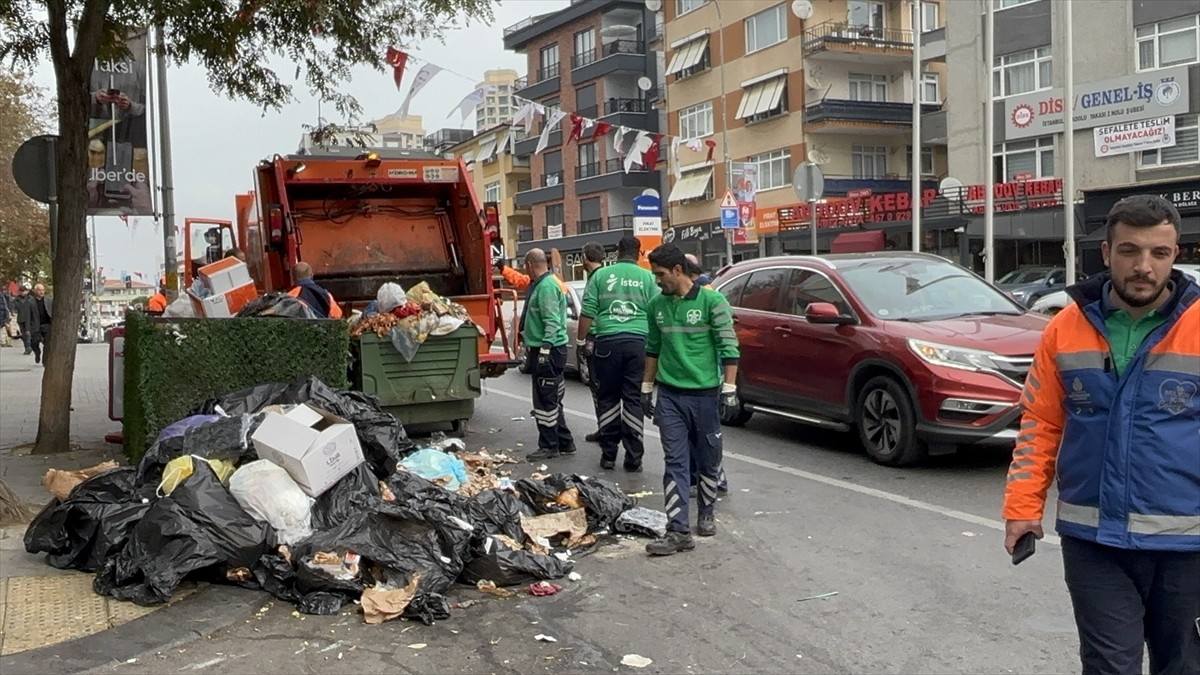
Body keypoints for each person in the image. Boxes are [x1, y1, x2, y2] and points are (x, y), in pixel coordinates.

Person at [1003, 194, 1200, 675]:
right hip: (1094, 539)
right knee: (1109, 665)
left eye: (1159, 253)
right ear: (1106, 253)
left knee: (1183, 665)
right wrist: (1022, 509)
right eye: (1130, 251)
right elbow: (1041, 423)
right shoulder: (1064, 328)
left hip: (1186, 543)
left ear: (1176, 255)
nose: (1143, 267)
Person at [642, 244, 740, 555]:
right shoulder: (657, 305)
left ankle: (706, 512)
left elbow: (729, 347)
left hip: (705, 395)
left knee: (708, 460)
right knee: (675, 463)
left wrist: (730, 390)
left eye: (660, 274)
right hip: (670, 394)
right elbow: (652, 349)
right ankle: (678, 530)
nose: (657, 281)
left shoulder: (713, 302)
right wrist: (646, 387)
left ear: (678, 271)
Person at [577, 236, 657, 472]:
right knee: (633, 399)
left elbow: (588, 310)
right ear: (639, 254)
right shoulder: (648, 278)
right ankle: (634, 459)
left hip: (607, 343)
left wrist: (581, 341)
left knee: (608, 398)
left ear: (616, 253)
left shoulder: (601, 276)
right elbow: (655, 313)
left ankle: (609, 455)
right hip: (639, 343)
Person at [521, 248, 575, 461]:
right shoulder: (547, 284)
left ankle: (549, 445)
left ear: (529, 265)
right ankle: (565, 441)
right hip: (551, 349)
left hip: (547, 349)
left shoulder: (545, 287)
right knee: (552, 398)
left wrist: (544, 350)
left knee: (545, 402)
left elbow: (552, 321)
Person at [683, 253, 729, 496]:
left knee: (703, 434)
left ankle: (708, 479)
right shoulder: (709, 289)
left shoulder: (704, 295)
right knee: (708, 433)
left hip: (706, 375)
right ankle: (713, 478)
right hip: (711, 372)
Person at [20, 284, 53, 365]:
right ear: (35, 291)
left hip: (47, 325)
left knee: (47, 344)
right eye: (39, 290)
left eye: (42, 290)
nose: (41, 292)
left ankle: (45, 360)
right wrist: (27, 329)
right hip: (35, 326)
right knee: (34, 343)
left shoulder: (48, 300)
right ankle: (37, 353)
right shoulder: (30, 302)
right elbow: (28, 316)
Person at [12, 285, 32, 354]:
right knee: (23, 335)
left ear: (26, 291)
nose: (22, 292)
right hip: (21, 319)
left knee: (28, 333)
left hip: (29, 318)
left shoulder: (30, 299)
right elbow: (13, 309)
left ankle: (29, 347)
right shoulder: (16, 300)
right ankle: (27, 347)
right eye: (21, 291)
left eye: (24, 291)